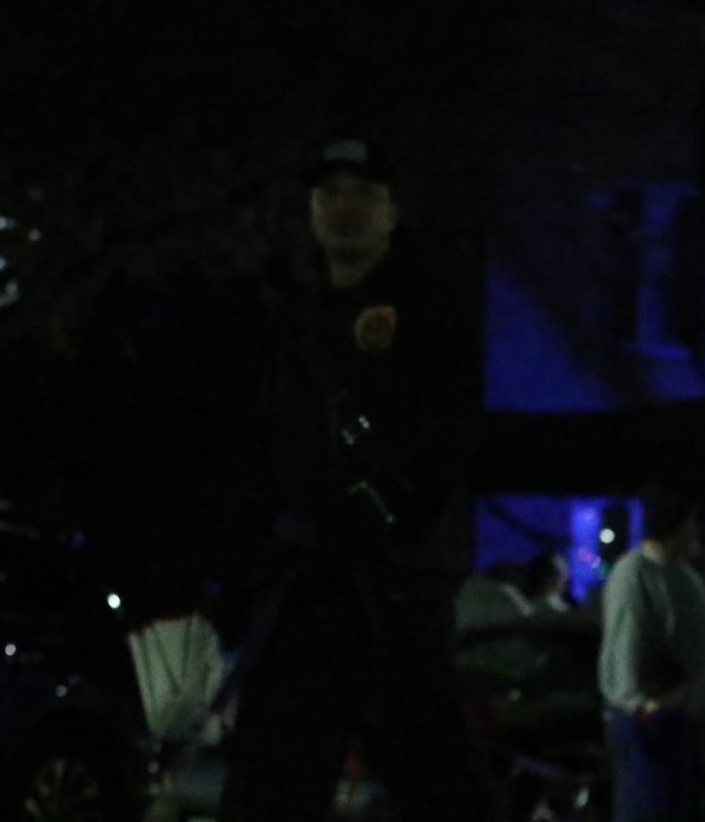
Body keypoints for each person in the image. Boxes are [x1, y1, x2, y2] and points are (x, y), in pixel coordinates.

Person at [214, 138, 506, 822]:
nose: (343, 208)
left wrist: (398, 517)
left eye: (363, 193)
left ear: (392, 213)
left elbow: (450, 434)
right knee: (272, 775)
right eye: (330, 193)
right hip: (303, 578)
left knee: (433, 769)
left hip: (393, 580)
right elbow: (262, 443)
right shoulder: (292, 312)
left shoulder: (428, 312)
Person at [598, 482, 705, 822]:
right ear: (677, 525)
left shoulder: (683, 576)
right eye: (691, 523)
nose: (696, 532)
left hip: (683, 721)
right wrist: (645, 706)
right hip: (653, 724)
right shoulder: (634, 573)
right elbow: (627, 644)